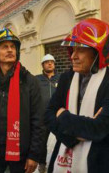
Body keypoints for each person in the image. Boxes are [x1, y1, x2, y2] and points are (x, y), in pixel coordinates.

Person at [0, 28, 44, 173]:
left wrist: (34, 155)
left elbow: (39, 121)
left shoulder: (29, 81)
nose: (10, 50)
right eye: (4, 47)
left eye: (13, 47)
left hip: (21, 153)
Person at [45, 18, 109, 173]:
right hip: (62, 160)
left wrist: (63, 116)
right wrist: (73, 137)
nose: (73, 56)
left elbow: (101, 128)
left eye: (80, 49)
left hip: (97, 163)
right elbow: (48, 115)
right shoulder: (67, 77)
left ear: (97, 52)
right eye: (73, 49)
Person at [36, 54, 60, 173]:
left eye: (52, 62)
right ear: (43, 65)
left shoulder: (60, 79)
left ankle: (60, 162)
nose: (50, 63)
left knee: (62, 140)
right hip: (43, 117)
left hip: (57, 117)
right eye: (47, 62)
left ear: (54, 64)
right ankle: (42, 164)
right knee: (42, 143)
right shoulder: (37, 79)